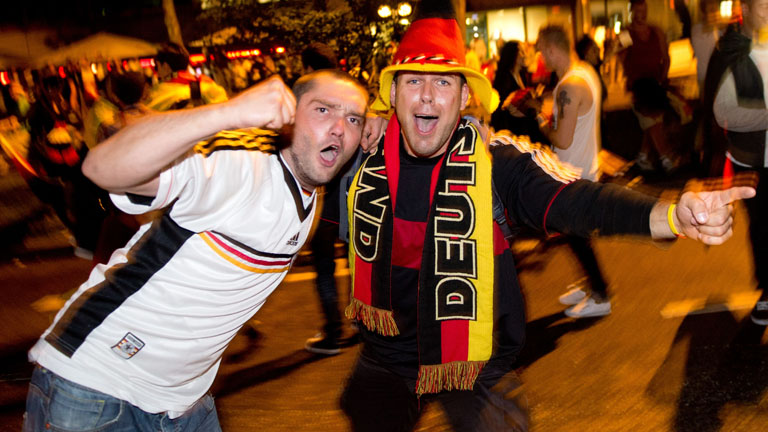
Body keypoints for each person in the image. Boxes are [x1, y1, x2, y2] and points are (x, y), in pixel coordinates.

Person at [339, 4, 755, 431]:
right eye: (413, 81)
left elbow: (581, 201)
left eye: (443, 82)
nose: (427, 96)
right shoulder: (360, 157)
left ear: (465, 98)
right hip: (384, 359)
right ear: (392, 95)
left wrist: (668, 214)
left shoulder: (497, 163)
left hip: (476, 366)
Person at [23, 70, 373, 431]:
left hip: (185, 401)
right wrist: (228, 112)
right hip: (96, 386)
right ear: (288, 114)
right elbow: (101, 167)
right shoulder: (236, 162)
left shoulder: (312, 190)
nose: (338, 128)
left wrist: (378, 125)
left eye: (352, 119)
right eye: (322, 110)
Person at [534, 24, 612, 318]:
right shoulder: (586, 72)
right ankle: (592, 285)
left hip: (573, 172)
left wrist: (541, 123)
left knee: (576, 237)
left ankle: (601, 294)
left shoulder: (568, 86)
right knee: (573, 235)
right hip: (583, 167)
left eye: (542, 51)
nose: (541, 57)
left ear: (553, 49)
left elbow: (562, 138)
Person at [710, 0, 768, 325]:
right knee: (761, 228)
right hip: (752, 160)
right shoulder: (733, 52)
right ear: (745, 8)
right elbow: (723, 112)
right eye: (764, 5)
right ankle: (766, 288)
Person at [621, 0, 679, 173]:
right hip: (639, 85)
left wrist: (663, 77)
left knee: (655, 121)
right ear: (632, 12)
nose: (642, 14)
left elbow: (666, 57)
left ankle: (643, 156)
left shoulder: (656, 31)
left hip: (655, 83)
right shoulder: (626, 33)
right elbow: (622, 60)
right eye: (638, 11)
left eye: (644, 10)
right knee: (652, 121)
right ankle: (665, 155)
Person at [490, 40, 548, 144]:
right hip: (512, 132)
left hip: (523, 130)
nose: (525, 55)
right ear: (513, 55)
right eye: (521, 52)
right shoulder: (504, 79)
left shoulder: (523, 76)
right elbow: (502, 108)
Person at [144, 42, 228, 111]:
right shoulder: (209, 84)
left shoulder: (159, 94)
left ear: (166, 67)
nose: (156, 72)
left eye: (156, 67)